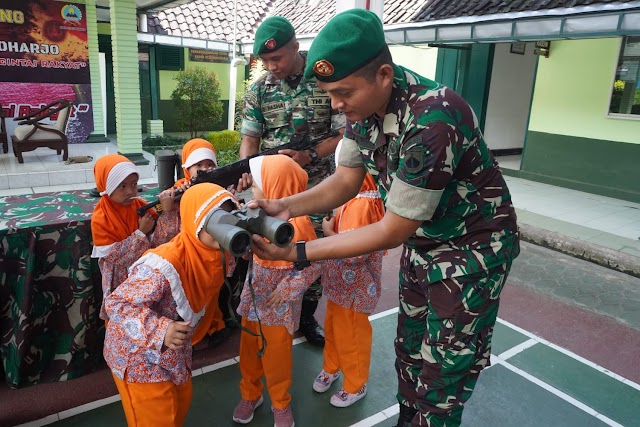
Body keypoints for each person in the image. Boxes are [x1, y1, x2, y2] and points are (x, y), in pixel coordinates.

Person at [248, 9, 520, 427]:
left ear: (384, 76)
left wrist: (299, 251)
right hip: (425, 243)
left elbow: (392, 229)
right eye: (329, 93)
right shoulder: (364, 113)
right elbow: (345, 180)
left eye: (343, 93)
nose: (336, 105)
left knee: (443, 372)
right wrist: (288, 206)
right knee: (409, 352)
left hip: (473, 252)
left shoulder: (434, 118)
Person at [238, 15, 346, 347]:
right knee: (271, 250)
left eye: (277, 58)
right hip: (274, 189)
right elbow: (250, 140)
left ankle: (306, 317)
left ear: (296, 48)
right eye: (266, 61)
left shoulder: (323, 78)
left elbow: (343, 132)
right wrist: (247, 169)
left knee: (311, 253)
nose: (271, 66)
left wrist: (310, 156)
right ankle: (265, 310)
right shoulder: (259, 90)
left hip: (318, 189)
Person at [103, 183, 240, 426]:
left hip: (173, 353)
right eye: (216, 221)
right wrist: (161, 330)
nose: (226, 230)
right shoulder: (163, 265)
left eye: (230, 219)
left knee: (179, 407)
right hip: (137, 356)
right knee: (158, 418)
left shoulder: (214, 254)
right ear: (195, 223)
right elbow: (117, 304)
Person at [233, 155, 321, 427]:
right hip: (254, 298)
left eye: (258, 184)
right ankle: (250, 394)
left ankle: (280, 403)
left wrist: (289, 287)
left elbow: (314, 263)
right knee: (249, 350)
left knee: (277, 357)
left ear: (275, 187)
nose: (254, 190)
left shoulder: (301, 223)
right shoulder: (258, 216)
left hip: (279, 304)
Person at [312, 141, 385, 408]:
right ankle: (331, 367)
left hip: (355, 292)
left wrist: (328, 232)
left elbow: (356, 253)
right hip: (340, 287)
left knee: (352, 336)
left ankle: (355, 384)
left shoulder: (363, 204)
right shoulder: (353, 198)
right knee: (333, 329)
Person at [91, 154, 180, 320]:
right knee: (123, 317)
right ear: (107, 186)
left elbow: (159, 242)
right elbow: (118, 256)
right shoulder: (101, 218)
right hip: (120, 281)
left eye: (134, 184)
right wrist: (140, 233)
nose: (131, 191)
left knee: (148, 317)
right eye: (122, 186)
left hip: (144, 276)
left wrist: (168, 210)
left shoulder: (139, 205)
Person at [172, 138, 233, 348]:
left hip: (216, 252)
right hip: (191, 255)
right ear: (186, 168)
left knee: (213, 294)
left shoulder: (219, 189)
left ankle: (214, 325)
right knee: (192, 296)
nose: (205, 169)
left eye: (209, 164)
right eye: (198, 165)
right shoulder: (177, 190)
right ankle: (194, 334)